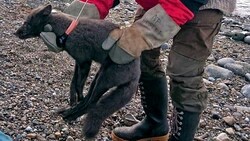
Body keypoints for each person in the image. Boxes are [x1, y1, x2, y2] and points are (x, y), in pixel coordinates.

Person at [40, 0, 236, 141]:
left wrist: (148, 31)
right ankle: (155, 125)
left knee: (185, 72)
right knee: (140, 58)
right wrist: (78, 19)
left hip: (203, 6)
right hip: (154, 3)